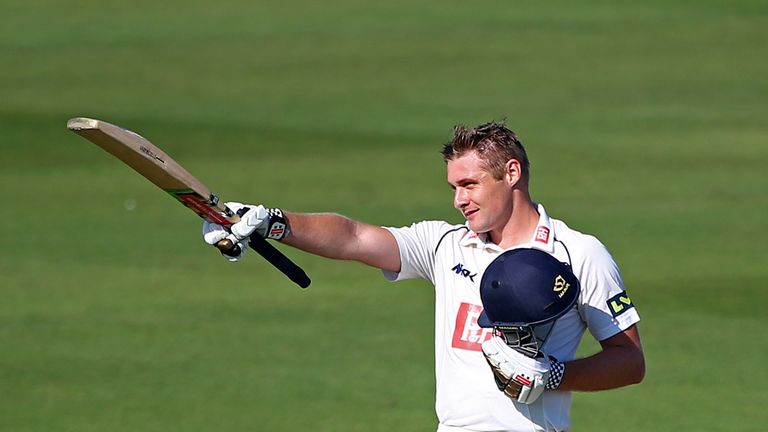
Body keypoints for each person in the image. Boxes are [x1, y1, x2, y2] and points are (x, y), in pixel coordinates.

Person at [202, 121, 645, 432]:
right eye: (453, 187)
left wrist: (552, 376)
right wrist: (272, 222)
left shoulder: (579, 254)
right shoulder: (446, 245)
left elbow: (629, 360)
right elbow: (354, 237)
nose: (459, 200)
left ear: (511, 173)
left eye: (469, 184)